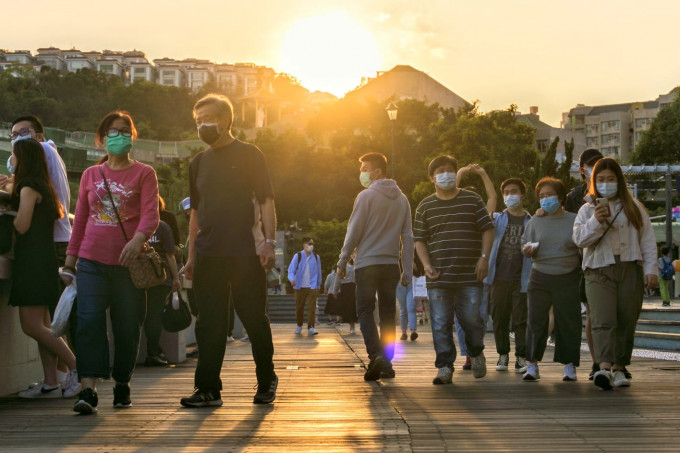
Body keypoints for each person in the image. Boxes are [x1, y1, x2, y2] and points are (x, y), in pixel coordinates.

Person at [181, 93, 277, 407]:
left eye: (206, 119)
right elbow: (195, 213)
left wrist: (269, 243)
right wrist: (191, 256)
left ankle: (266, 379)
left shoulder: (251, 155)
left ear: (225, 120)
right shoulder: (197, 163)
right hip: (209, 253)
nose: (201, 126)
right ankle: (207, 389)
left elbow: (266, 201)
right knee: (209, 323)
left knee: (253, 318)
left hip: (246, 252)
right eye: (197, 121)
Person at [63, 110, 160, 414]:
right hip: (91, 261)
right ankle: (88, 389)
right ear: (102, 139)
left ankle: (122, 382)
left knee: (127, 325)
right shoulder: (92, 175)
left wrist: (136, 240)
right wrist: (70, 260)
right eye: (111, 131)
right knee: (89, 321)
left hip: (129, 264)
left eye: (123, 130)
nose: (117, 135)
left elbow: (150, 214)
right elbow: (79, 221)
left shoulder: (144, 173)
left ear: (133, 136)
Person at [1, 115, 78, 397]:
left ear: (24, 159)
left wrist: (7, 207)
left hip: (31, 262)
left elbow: (21, 225)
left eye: (14, 156)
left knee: (32, 325)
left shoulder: (29, 188)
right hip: (42, 259)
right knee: (45, 325)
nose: (12, 160)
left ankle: (75, 367)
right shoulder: (40, 185)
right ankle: (50, 382)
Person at [573, 157, 658, 390]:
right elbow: (579, 240)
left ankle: (620, 367)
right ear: (594, 182)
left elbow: (647, 241)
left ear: (619, 181)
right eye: (601, 179)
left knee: (626, 319)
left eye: (610, 179)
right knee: (602, 319)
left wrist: (651, 271)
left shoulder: (634, 207)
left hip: (630, 267)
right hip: (598, 269)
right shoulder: (586, 210)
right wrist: (596, 221)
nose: (606, 183)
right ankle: (603, 367)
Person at [414, 155, 494, 384]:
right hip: (439, 276)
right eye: (441, 170)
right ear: (432, 178)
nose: (446, 174)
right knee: (440, 323)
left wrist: (484, 258)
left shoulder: (472, 199)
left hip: (470, 274)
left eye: (450, 170)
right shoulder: (425, 206)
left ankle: (476, 352)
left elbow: (487, 229)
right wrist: (426, 264)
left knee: (472, 320)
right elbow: (419, 239)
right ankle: (445, 366)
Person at [337, 152, 413, 381]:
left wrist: (342, 261)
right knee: (389, 315)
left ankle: (375, 355)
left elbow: (354, 232)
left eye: (364, 168)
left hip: (367, 265)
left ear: (377, 172)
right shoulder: (403, 199)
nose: (361, 172)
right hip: (391, 266)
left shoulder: (365, 196)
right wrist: (406, 269)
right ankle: (388, 364)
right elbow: (408, 237)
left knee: (365, 311)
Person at [521, 177, 582, 382]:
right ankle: (532, 364)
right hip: (540, 275)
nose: (545, 199)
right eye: (541, 196)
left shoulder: (574, 219)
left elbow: (583, 243)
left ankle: (569, 365)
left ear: (561, 196)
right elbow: (525, 244)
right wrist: (528, 249)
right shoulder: (536, 220)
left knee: (569, 321)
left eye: (549, 195)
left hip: (568, 275)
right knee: (536, 320)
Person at [485, 178, 531, 374]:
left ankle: (521, 357)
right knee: (499, 317)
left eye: (514, 191)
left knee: (521, 319)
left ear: (523, 195)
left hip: (521, 277)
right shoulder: (497, 218)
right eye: (507, 192)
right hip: (498, 276)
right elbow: (486, 209)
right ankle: (503, 354)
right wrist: (483, 175)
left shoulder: (531, 220)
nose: (510, 195)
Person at [454, 164, 496, 370]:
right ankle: (469, 354)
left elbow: (493, 198)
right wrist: (460, 174)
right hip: (457, 272)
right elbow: (449, 193)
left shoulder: (482, 216)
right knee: (460, 317)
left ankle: (475, 350)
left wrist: (482, 173)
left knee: (477, 316)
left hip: (478, 272)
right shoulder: (453, 212)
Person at [566, 148, 604, 380]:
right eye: (591, 165)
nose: (595, 167)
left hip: (615, 261)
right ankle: (597, 361)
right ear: (581, 170)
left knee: (615, 316)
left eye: (599, 163)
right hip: (585, 263)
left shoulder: (618, 192)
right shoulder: (574, 198)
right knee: (593, 314)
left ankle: (616, 361)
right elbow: (571, 232)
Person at [144, 198, 182, 367]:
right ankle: (153, 353)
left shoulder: (136, 226)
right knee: (154, 315)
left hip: (138, 277)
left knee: (140, 315)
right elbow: (170, 255)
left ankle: (148, 352)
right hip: (160, 277)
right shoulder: (163, 227)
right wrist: (175, 278)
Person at [288, 237, 323, 335]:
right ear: (304, 245)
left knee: (312, 308)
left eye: (312, 244)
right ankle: (299, 325)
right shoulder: (298, 256)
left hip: (312, 286)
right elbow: (291, 270)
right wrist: (292, 279)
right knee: (299, 307)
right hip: (300, 286)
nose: (311, 246)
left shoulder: (316, 257)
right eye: (309, 243)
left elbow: (319, 272)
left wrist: (319, 285)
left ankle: (311, 327)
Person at [397, 258, 418, 341]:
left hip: (412, 281)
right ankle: (404, 332)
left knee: (411, 307)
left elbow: (418, 269)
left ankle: (413, 331)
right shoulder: (395, 251)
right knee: (403, 308)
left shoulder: (413, 250)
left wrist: (413, 263)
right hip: (399, 283)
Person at [336, 258, 357, 334]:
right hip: (352, 287)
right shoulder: (355, 267)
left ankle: (350, 324)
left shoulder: (343, 267)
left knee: (346, 306)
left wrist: (335, 290)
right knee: (352, 306)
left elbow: (338, 277)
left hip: (344, 287)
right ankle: (352, 326)